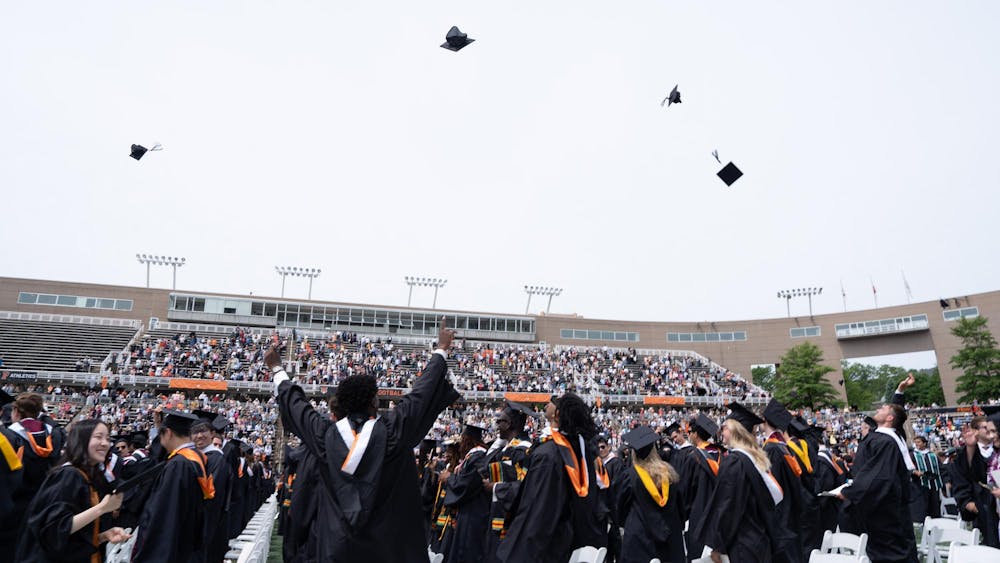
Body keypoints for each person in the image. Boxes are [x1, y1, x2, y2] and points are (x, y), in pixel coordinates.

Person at [272, 319, 460, 563]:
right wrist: (441, 350)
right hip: (385, 551)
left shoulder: (324, 436)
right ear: (373, 403)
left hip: (334, 550)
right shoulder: (391, 433)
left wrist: (277, 369)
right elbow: (420, 395)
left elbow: (297, 406)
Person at [497, 393, 607, 563]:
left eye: (552, 403)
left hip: (545, 547)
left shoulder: (549, 454)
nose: (547, 404)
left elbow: (539, 509)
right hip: (566, 539)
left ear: (558, 414)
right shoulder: (578, 449)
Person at [15, 418, 131, 562]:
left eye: (107, 438)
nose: (105, 443)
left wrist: (102, 536)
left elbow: (71, 536)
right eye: (98, 437)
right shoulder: (68, 476)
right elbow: (53, 530)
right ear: (81, 440)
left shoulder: (86, 476)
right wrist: (102, 508)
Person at [698, 402, 782, 563]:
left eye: (724, 427)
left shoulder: (735, 462)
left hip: (743, 543)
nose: (720, 431)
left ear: (735, 430)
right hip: (759, 539)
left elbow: (728, 505)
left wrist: (717, 545)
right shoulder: (755, 459)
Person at [131, 410, 215, 562]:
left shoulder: (178, 465)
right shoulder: (196, 458)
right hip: (187, 545)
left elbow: (165, 517)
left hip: (173, 550)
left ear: (168, 433)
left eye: (160, 435)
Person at [841, 402, 919, 563]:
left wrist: (849, 492)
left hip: (884, 512)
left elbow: (878, 476)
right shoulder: (889, 438)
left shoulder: (884, 441)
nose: (877, 409)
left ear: (890, 418)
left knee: (891, 554)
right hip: (889, 508)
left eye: (882, 409)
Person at [611, 425, 686, 563]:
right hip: (671, 541)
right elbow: (681, 510)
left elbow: (619, 510)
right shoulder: (670, 475)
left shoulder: (629, 477)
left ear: (633, 452)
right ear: (654, 450)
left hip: (639, 542)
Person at [2, 393, 64, 559]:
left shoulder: (10, 437)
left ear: (16, 412)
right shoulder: (54, 436)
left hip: (16, 505)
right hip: (44, 503)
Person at [482, 403, 532, 563]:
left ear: (509, 424)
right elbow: (484, 466)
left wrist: (495, 487)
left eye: (500, 421)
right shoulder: (507, 448)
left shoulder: (523, 451)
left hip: (511, 522)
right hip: (497, 516)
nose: (497, 425)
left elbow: (524, 487)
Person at [759, 399, 805, 563]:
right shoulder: (783, 447)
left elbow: (773, 488)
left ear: (764, 421)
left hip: (780, 516)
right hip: (791, 510)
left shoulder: (772, 449)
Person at [441, 422, 490, 563]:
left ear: (468, 440)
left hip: (474, 513)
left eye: (463, 439)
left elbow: (465, 485)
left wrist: (449, 477)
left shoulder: (478, 456)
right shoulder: (472, 457)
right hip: (468, 513)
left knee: (468, 552)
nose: (460, 443)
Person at [949, 414, 1000, 548]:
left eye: (992, 429)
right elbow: (963, 478)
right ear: (975, 430)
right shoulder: (964, 455)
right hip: (983, 509)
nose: (990, 432)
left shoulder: (997, 451)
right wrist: (968, 503)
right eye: (985, 428)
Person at [677, 413, 721, 562]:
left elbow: (685, 492)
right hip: (721, 515)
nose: (688, 435)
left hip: (700, 517)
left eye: (690, 432)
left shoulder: (693, 457)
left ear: (696, 434)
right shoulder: (723, 454)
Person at [192, 413, 232, 563]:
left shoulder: (216, 459)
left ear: (212, 433)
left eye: (203, 431)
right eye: (195, 431)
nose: (199, 435)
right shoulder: (196, 456)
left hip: (208, 525)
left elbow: (211, 496)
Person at [910, 435, 943, 522]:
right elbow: (907, 467)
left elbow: (941, 468)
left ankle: (936, 523)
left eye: (919, 442)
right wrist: (915, 472)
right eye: (915, 442)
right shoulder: (912, 455)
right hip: (920, 484)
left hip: (933, 483)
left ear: (924, 443)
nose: (916, 444)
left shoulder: (932, 455)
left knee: (934, 505)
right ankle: (924, 525)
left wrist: (946, 481)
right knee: (923, 505)